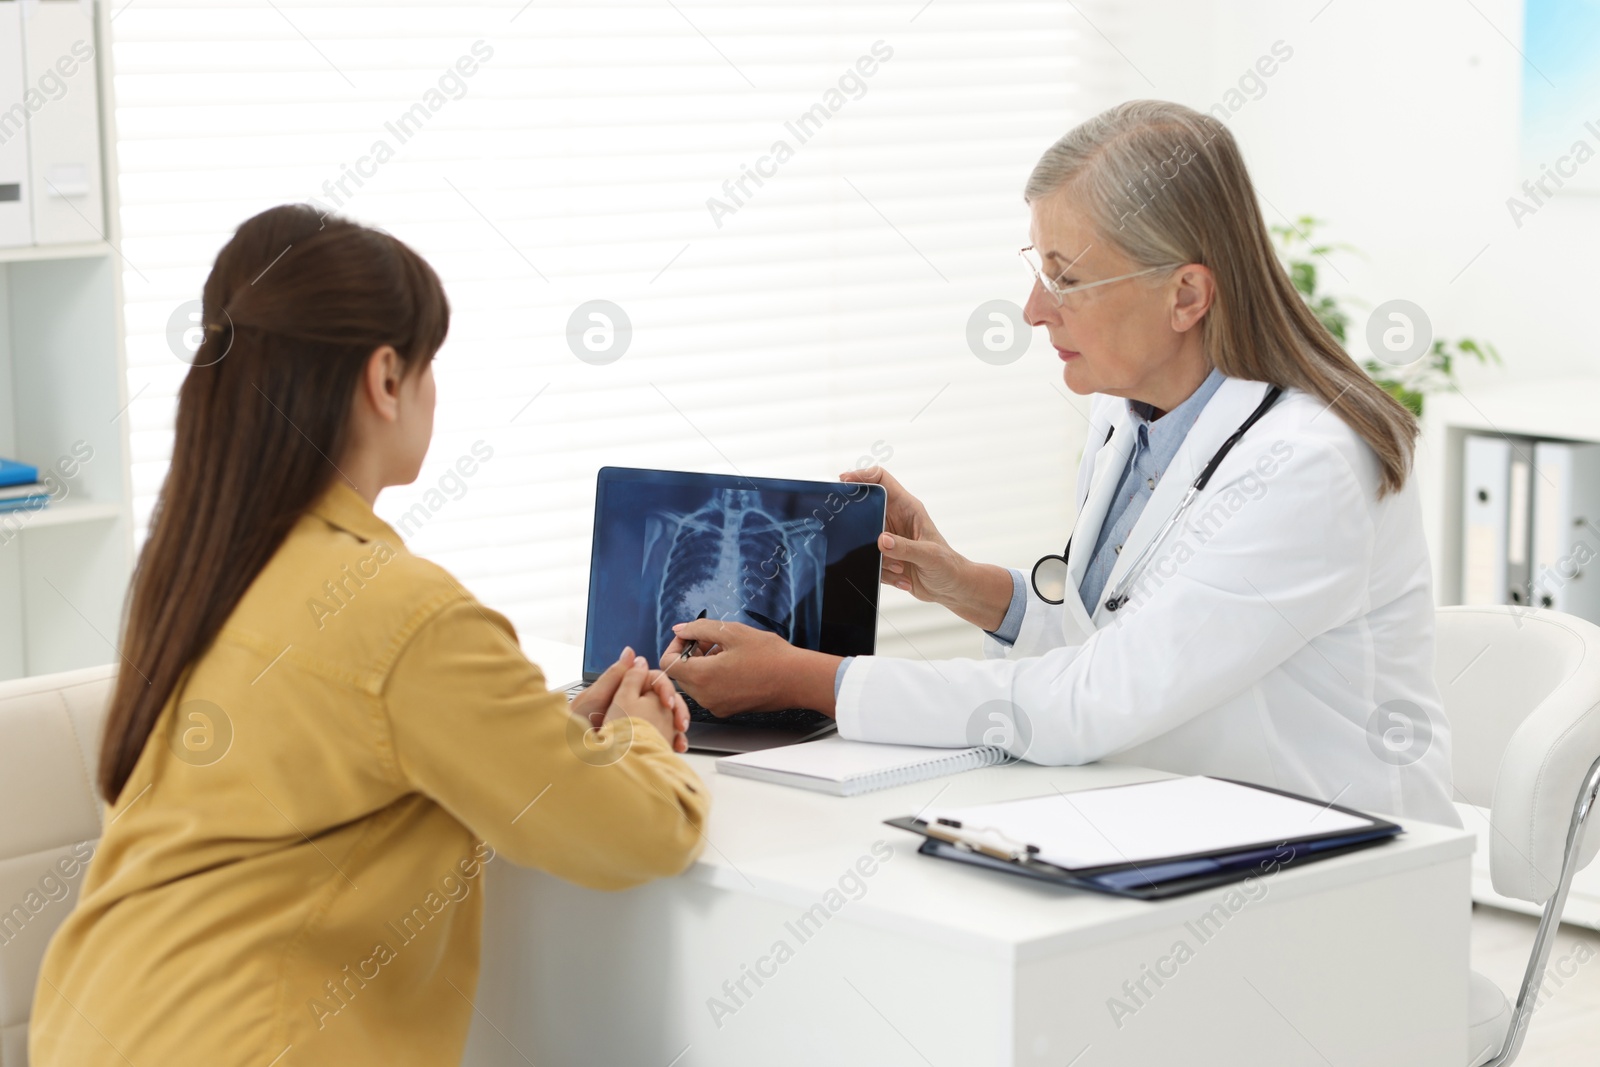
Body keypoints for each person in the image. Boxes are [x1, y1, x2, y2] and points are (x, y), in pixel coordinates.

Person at [31, 205, 706, 1066]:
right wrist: (640, 737)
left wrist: (549, 733)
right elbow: (633, 834)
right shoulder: (402, 611)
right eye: (430, 366)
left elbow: (326, 755)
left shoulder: (196, 571)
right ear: (386, 378)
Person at [661, 100, 1457, 827]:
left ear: (1186, 296)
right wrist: (973, 588)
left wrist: (806, 679)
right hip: (1169, 813)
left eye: (1065, 278)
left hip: (1332, 864)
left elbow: (1098, 697)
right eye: (1038, 268)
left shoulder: (1308, 465)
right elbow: (1113, 636)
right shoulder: (1128, 411)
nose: (1034, 309)